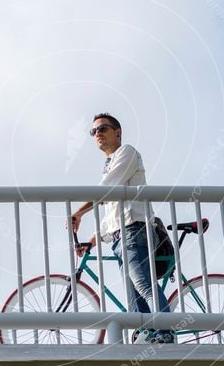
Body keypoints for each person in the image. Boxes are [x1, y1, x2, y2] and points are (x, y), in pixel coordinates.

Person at [71, 113, 174, 344]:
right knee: (133, 297)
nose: (97, 133)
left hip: (135, 231)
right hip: (121, 235)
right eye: (94, 131)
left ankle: (166, 333)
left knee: (143, 285)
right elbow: (113, 212)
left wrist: (78, 212)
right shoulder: (108, 165)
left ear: (118, 132)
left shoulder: (126, 152)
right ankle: (149, 334)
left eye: (103, 128)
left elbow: (107, 189)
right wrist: (95, 239)